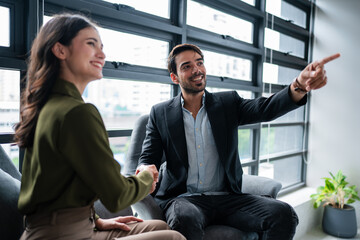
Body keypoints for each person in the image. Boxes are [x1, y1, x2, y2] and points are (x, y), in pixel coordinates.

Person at [136, 43, 340, 240]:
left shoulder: (227, 103)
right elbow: (148, 156)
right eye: (187, 66)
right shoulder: (161, 112)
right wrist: (145, 169)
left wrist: (299, 86)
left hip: (228, 198)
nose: (197, 70)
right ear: (174, 77)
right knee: (184, 219)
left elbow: (265, 108)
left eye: (199, 62)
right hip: (184, 198)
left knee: (283, 214)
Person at [14, 14, 185, 240]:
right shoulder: (77, 112)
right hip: (64, 235)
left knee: (158, 226)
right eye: (91, 44)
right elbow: (117, 196)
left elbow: (55, 185)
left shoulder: (48, 106)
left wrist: (96, 220)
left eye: (102, 47)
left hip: (58, 227)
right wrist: (146, 176)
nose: (102, 54)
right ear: (60, 50)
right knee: (174, 238)